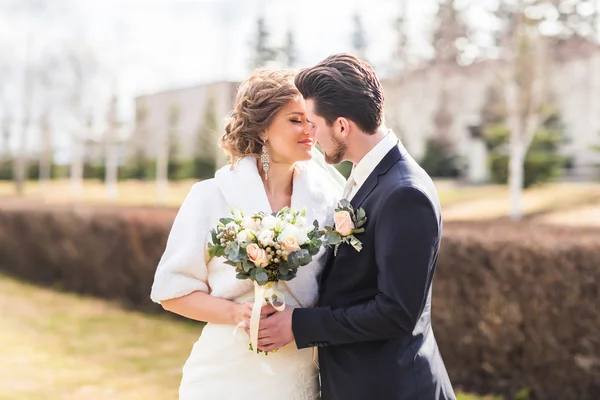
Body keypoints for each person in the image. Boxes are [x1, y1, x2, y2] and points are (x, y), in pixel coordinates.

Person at [253, 54, 457, 400]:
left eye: (314, 125)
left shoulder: (404, 193)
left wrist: (297, 324)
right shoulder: (367, 177)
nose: (311, 136)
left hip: (393, 388)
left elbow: (396, 313)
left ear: (343, 126)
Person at [150, 68, 343, 400]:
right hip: (225, 373)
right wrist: (237, 314)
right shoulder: (209, 196)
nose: (309, 129)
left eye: (311, 119)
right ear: (264, 129)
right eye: (295, 120)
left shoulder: (330, 204)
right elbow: (172, 291)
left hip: (298, 372)